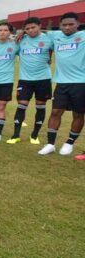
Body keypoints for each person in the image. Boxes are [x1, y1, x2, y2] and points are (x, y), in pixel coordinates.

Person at [38, 12, 85, 156]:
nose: (67, 27)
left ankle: (69, 143)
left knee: (78, 114)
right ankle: (50, 144)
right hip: (61, 82)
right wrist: (23, 35)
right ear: (60, 26)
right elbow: (38, 32)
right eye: (64, 25)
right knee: (55, 112)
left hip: (81, 83)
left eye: (71, 24)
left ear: (77, 24)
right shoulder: (55, 36)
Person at [6, 17, 53, 145]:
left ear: (39, 26)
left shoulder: (49, 39)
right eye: (27, 28)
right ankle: (16, 135)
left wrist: (50, 58)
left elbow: (56, 49)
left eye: (33, 27)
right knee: (21, 107)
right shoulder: (21, 40)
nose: (30, 30)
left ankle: (35, 135)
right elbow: (9, 49)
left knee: (40, 107)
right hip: (25, 80)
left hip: (43, 79)